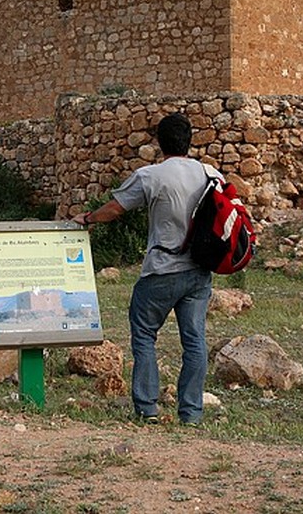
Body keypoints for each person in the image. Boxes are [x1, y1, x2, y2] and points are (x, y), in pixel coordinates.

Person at [72, 112, 218, 425]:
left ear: (158, 143)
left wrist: (89, 218)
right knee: (194, 341)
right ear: (190, 141)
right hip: (199, 272)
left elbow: (115, 208)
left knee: (144, 335)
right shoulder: (211, 174)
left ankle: (147, 408)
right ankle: (191, 413)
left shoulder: (151, 176)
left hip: (162, 270)